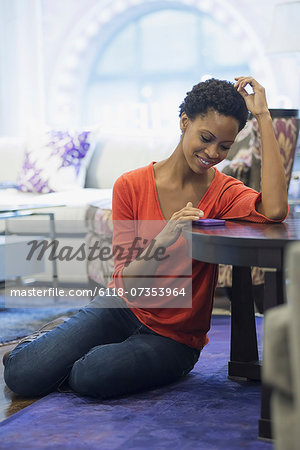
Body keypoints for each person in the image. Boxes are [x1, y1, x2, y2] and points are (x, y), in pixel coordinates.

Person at [4, 76, 288, 399]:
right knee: (20, 373)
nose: (212, 152)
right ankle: (49, 345)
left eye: (224, 146)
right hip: (121, 307)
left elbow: (276, 208)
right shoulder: (130, 185)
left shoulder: (222, 192)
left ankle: (74, 355)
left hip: (174, 339)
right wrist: (162, 241)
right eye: (206, 138)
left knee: (89, 375)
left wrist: (264, 116)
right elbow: (127, 281)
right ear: (184, 123)